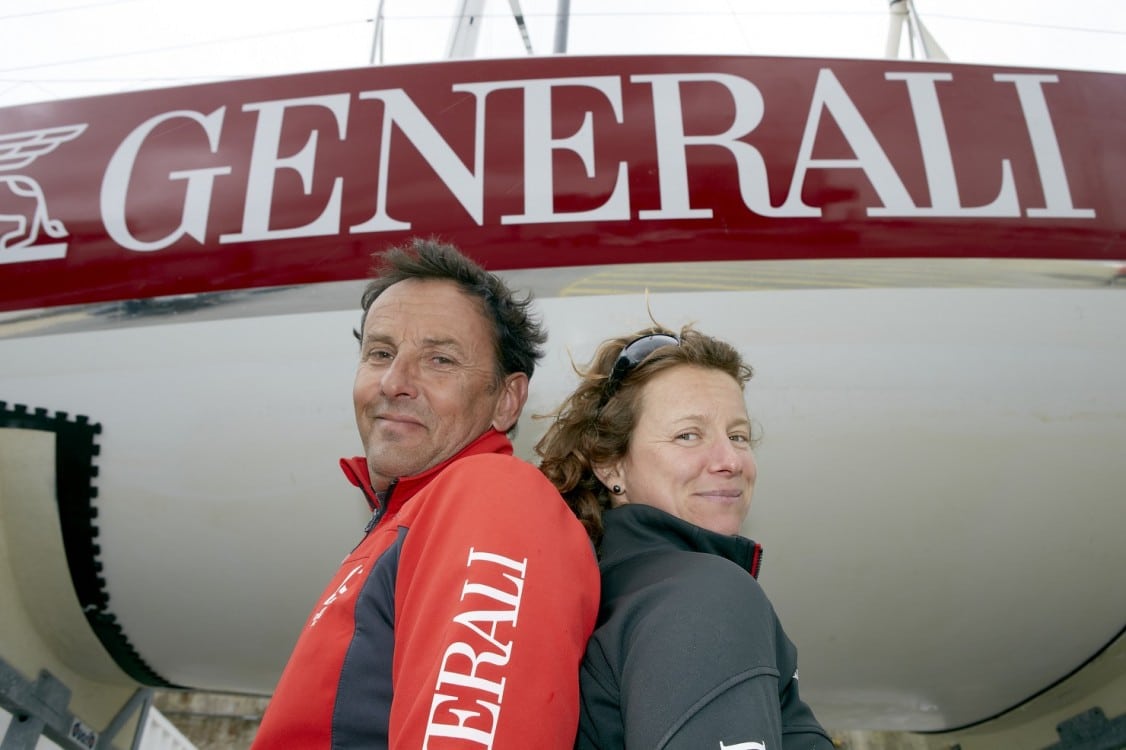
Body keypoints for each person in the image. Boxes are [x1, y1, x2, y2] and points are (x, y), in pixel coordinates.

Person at [252, 238, 600, 749]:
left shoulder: (491, 498)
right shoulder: (406, 521)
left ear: (507, 400)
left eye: (439, 359)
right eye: (380, 353)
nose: (394, 382)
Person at [536, 325, 834, 750]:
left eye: (738, 436)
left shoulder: (604, 592)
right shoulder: (704, 595)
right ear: (611, 465)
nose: (730, 460)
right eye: (688, 435)